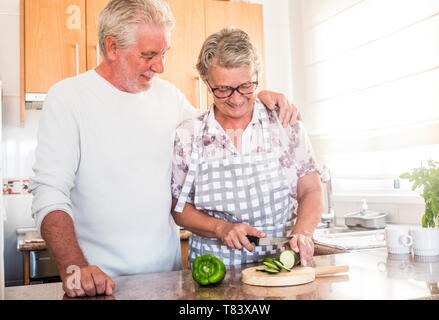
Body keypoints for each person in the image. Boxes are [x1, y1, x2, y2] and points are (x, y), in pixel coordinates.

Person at [30, 0, 300, 298]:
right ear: (112, 47)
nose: (160, 66)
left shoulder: (169, 97)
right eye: (149, 55)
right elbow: (49, 192)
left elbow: (218, 119)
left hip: (167, 281)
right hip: (99, 282)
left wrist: (256, 97)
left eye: (164, 53)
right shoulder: (68, 99)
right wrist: (75, 267)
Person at [171, 27, 323, 268]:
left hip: (282, 264)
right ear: (206, 82)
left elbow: (311, 189)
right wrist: (221, 228)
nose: (236, 99)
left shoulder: (283, 122)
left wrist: (302, 233)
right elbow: (179, 209)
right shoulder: (189, 134)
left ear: (257, 76)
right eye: (222, 89)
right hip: (212, 271)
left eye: (245, 86)